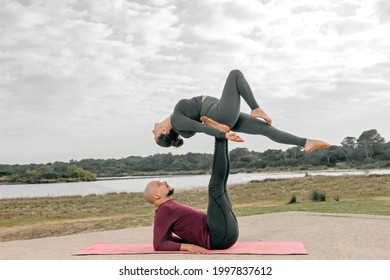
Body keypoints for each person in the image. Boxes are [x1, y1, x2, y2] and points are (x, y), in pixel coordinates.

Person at [152, 69, 330, 152]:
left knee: (265, 129)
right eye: (155, 134)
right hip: (220, 113)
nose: (152, 130)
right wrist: (222, 134)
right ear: (164, 131)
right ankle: (256, 108)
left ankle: (305, 142)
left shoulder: (180, 124)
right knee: (235, 75)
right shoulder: (176, 119)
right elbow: (200, 128)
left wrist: (215, 126)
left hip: (224, 117)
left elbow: (197, 126)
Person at [144, 138, 238, 254]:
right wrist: (189, 247)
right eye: (159, 184)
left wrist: (189, 243)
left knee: (221, 185)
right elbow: (159, 244)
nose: (164, 182)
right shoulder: (164, 210)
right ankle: (220, 138)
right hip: (218, 237)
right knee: (216, 186)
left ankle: (222, 137)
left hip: (225, 234)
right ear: (157, 195)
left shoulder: (169, 207)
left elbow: (169, 239)